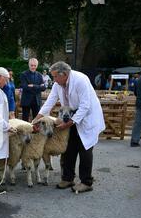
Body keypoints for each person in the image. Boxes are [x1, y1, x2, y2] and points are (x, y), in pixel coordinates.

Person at [34, 61, 105, 193]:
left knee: (85, 149)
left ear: (64, 74)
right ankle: (68, 178)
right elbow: (50, 101)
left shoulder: (80, 80)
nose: (53, 79)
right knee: (68, 148)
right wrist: (37, 118)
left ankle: (86, 182)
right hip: (71, 116)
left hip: (87, 117)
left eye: (55, 76)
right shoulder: (58, 84)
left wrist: (69, 122)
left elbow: (85, 106)